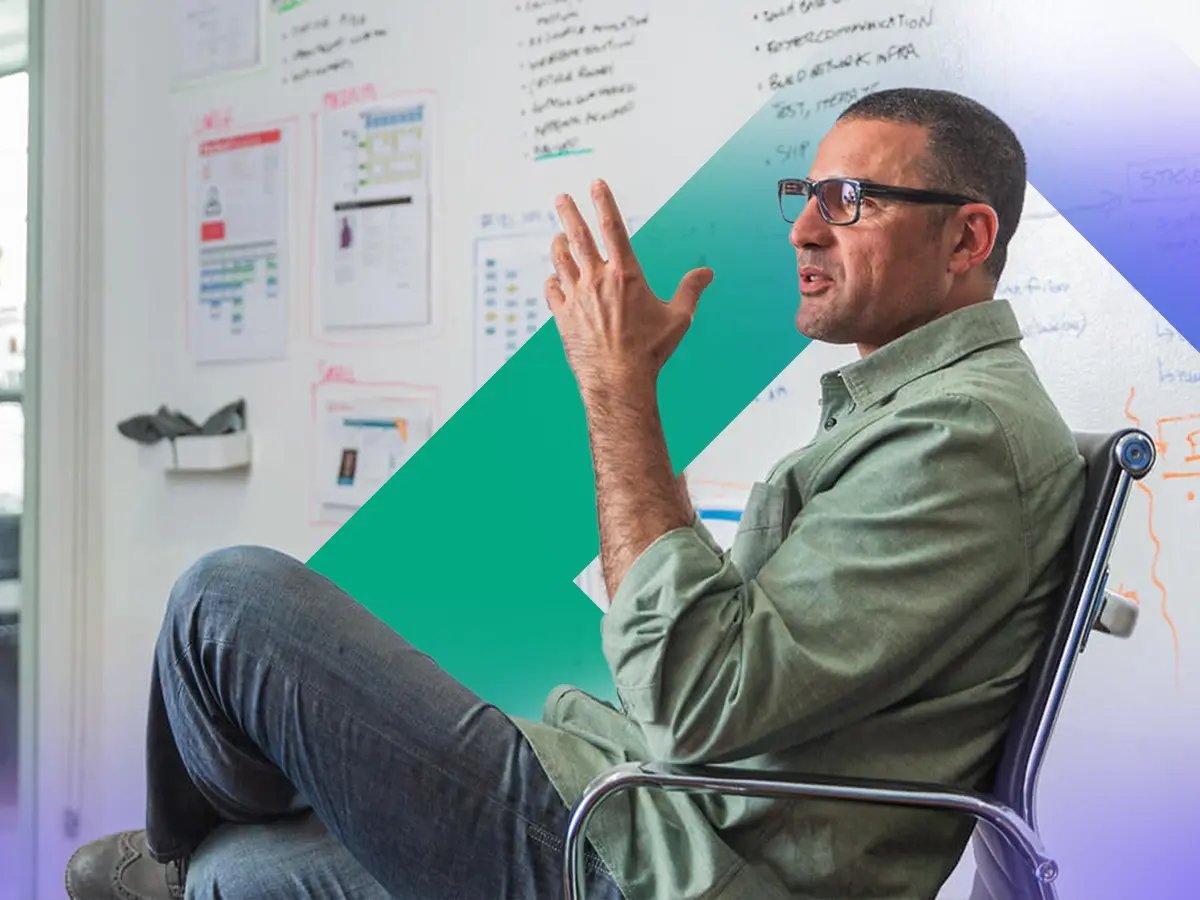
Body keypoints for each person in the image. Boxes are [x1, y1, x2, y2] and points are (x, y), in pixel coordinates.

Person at [66, 87, 1084, 900]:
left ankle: (244, 818)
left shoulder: (961, 437)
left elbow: (696, 702)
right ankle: (242, 831)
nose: (804, 233)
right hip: (647, 807)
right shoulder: (922, 411)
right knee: (228, 878)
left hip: (657, 858)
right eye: (805, 195)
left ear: (966, 239)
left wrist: (618, 390)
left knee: (227, 600)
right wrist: (633, 401)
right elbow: (736, 666)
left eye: (850, 201)